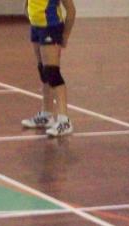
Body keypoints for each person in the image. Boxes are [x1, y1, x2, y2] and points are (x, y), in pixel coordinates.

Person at [20, 0, 76, 137]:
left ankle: (64, 121)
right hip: (36, 26)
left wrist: (65, 36)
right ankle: (46, 114)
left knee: (52, 72)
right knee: (44, 71)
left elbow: (71, 11)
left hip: (51, 27)